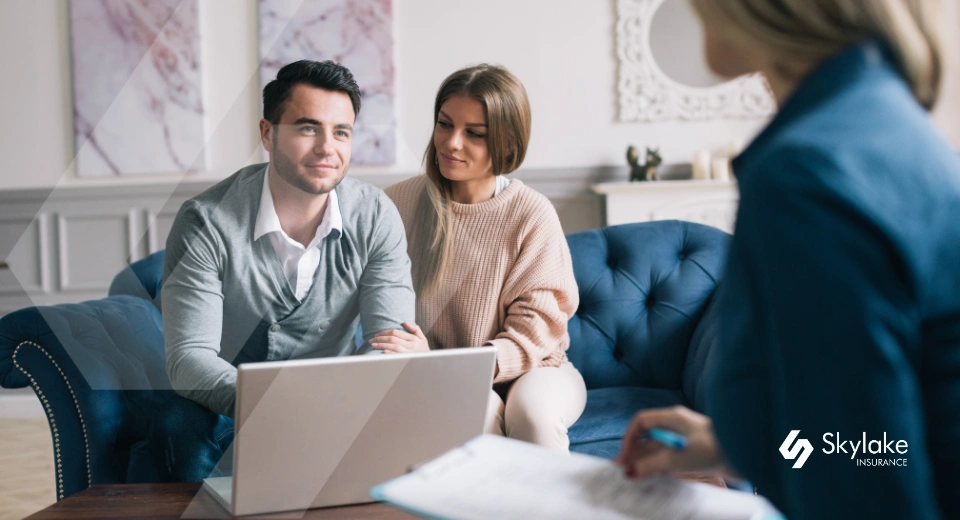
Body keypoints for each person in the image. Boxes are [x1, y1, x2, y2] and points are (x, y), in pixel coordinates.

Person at [616, 1, 960, 518]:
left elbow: (864, 489)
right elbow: (866, 443)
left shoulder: (807, 174)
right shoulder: (878, 121)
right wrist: (733, 444)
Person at [152, 60, 416, 482]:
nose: (327, 147)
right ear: (267, 134)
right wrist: (284, 403)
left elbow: (392, 341)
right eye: (308, 128)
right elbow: (190, 358)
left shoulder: (375, 214)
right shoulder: (205, 220)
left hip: (339, 399)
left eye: (341, 132)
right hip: (231, 401)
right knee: (178, 428)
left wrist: (346, 396)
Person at [376, 64, 587, 453]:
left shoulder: (531, 212)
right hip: (436, 372)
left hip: (538, 368)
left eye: (474, 134)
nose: (451, 142)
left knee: (534, 416)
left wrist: (454, 366)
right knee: (474, 410)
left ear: (507, 145)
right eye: (445, 124)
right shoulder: (397, 204)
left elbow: (536, 329)